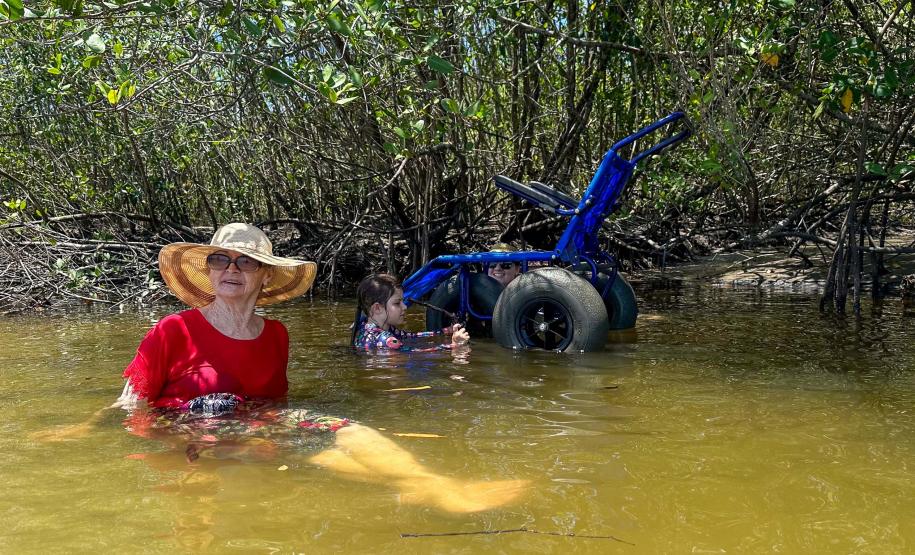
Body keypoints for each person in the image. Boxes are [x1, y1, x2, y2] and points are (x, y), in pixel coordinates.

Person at [34, 223, 524, 513]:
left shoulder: (276, 336)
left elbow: (276, 401)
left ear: (264, 276)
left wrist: (281, 433)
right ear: (208, 270)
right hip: (191, 426)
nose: (230, 269)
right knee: (274, 453)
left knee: (345, 430)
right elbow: (132, 403)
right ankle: (422, 489)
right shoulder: (173, 330)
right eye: (220, 260)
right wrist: (83, 428)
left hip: (260, 420)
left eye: (244, 262)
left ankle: (430, 486)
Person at [354, 273, 470, 352]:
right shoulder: (386, 339)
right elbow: (416, 353)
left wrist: (444, 331)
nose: (404, 307)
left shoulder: (367, 328)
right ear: (377, 308)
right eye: (397, 303)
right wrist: (455, 345)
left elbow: (411, 336)